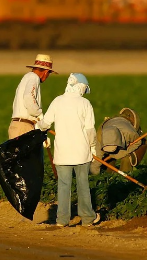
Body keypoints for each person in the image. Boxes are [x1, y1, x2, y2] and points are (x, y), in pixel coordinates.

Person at [37, 73, 100, 227]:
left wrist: (38, 127)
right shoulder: (85, 104)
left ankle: (62, 220)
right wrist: (93, 148)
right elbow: (90, 131)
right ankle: (87, 218)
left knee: (63, 186)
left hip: (62, 153)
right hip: (82, 153)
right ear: (81, 87)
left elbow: (45, 124)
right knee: (83, 184)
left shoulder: (57, 101)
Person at [9, 54, 57, 139]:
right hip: (24, 128)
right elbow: (28, 97)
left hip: (19, 126)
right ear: (46, 72)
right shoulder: (33, 77)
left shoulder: (27, 77)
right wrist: (40, 115)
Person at [91, 108, 147, 175]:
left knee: (127, 158)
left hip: (126, 136)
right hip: (111, 133)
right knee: (104, 157)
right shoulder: (100, 137)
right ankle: (109, 174)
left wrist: (124, 152)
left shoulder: (130, 133)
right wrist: (92, 173)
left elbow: (138, 142)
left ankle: (125, 177)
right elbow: (96, 160)